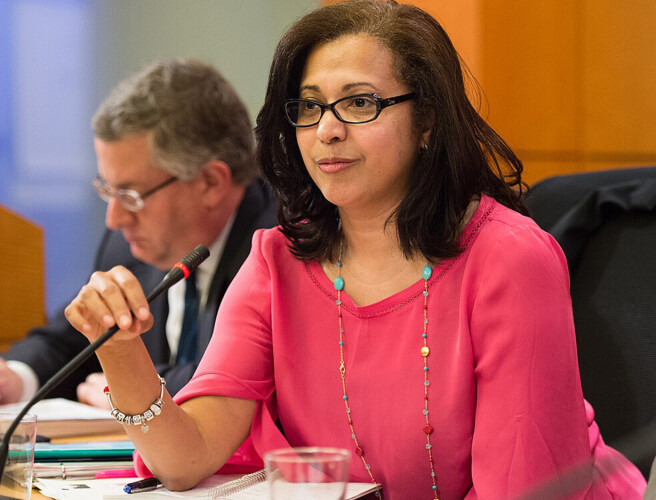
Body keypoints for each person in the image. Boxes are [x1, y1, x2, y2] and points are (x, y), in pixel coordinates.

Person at [63, 2, 645, 498]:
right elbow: (186, 458)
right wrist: (122, 352)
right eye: (310, 107)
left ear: (427, 122)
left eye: (360, 103)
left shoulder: (509, 260)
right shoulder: (276, 262)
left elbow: (520, 489)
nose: (327, 131)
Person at [0, 59, 277, 407]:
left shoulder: (284, 247)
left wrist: (138, 390)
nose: (114, 219)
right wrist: (14, 377)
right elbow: (73, 342)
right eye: (108, 191)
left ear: (211, 183)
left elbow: (255, 375)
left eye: (130, 196)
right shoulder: (129, 246)